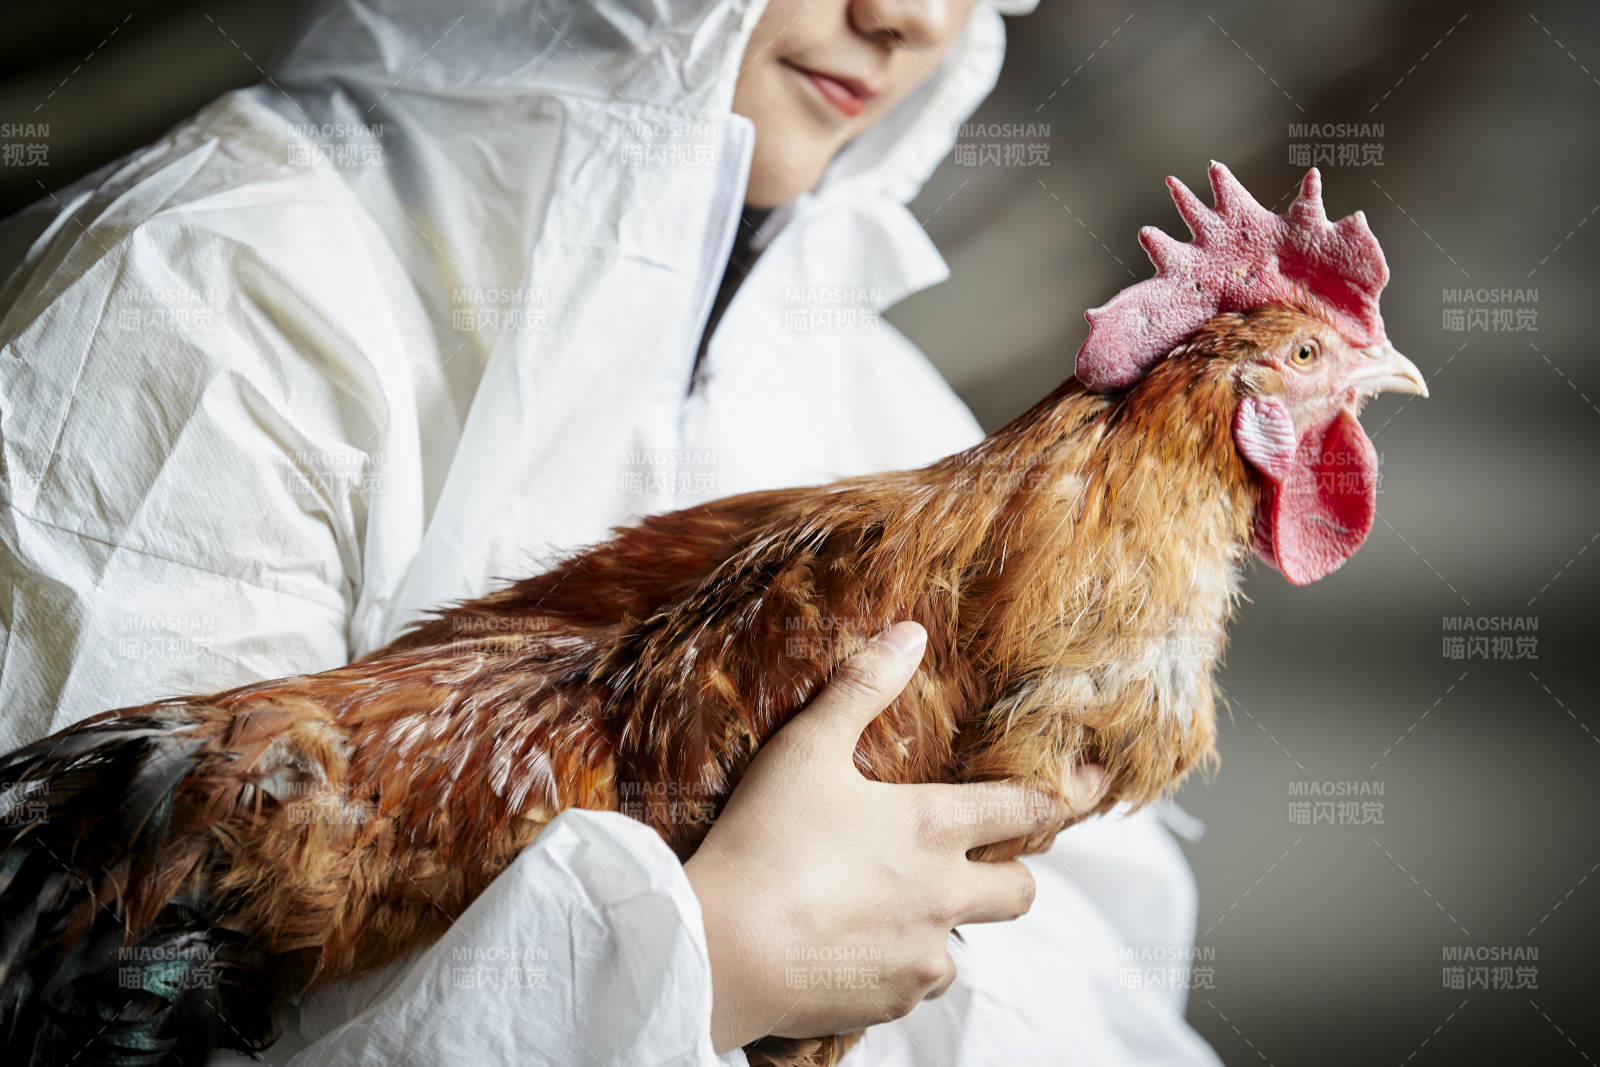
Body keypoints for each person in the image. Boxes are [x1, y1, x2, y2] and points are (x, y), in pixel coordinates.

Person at [0, 0, 1222, 1063]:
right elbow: (88, 953)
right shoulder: (204, 290)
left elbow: (1095, 972)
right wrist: (709, 963)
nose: (912, 15)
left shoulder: (873, 396)